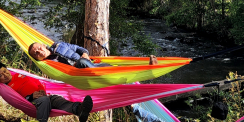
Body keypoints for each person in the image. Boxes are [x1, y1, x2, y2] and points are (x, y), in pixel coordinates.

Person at [0, 61, 93, 122]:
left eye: (5, 71)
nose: (5, 75)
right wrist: (31, 96)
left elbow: (37, 82)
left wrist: (42, 90)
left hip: (44, 96)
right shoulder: (6, 88)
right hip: (31, 102)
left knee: (56, 99)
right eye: (0, 75)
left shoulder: (20, 74)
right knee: (44, 100)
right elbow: (16, 100)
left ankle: (79, 109)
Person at [28, 41, 158, 68]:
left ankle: (148, 68)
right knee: (82, 63)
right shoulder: (46, 64)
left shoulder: (59, 45)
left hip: (88, 63)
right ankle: (95, 70)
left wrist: (85, 53)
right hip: (76, 71)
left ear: (43, 45)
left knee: (114, 69)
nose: (39, 51)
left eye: (39, 48)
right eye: (36, 53)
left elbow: (79, 48)